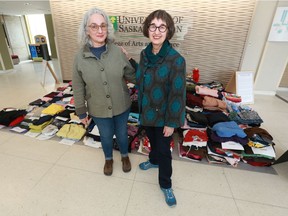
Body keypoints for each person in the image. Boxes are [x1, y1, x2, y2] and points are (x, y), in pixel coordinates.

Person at [72, 7, 135, 176]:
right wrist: (81, 111)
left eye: (103, 25)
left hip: (121, 105)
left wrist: (130, 59)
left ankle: (124, 155)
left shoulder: (117, 51)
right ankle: (108, 158)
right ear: (86, 29)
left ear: (108, 28)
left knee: (122, 133)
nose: (100, 30)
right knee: (106, 136)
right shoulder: (79, 57)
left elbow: (133, 76)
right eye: (94, 26)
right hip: (98, 108)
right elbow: (77, 86)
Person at [133, 10, 186, 207]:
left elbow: (177, 94)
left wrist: (172, 123)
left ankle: (166, 183)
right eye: (152, 26)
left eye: (161, 27)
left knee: (164, 151)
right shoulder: (144, 54)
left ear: (168, 31)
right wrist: (128, 62)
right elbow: (140, 78)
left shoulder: (176, 59)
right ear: (147, 29)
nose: (156, 31)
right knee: (152, 142)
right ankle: (153, 161)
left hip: (164, 116)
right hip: (147, 111)